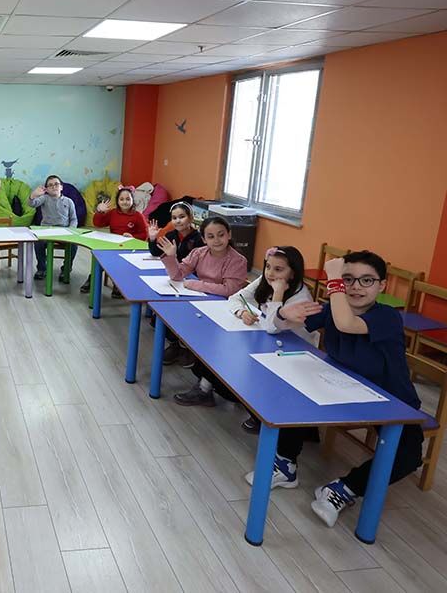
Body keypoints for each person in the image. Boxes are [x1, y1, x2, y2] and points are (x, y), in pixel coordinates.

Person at [245, 250, 423, 529]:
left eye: (366, 280)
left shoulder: (387, 317)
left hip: (390, 400)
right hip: (340, 387)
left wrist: (334, 278)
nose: (355, 287)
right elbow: (280, 326)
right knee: (296, 393)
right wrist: (281, 312)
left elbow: (347, 324)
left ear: (382, 285)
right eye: (348, 279)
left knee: (409, 456)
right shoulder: (332, 309)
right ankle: (286, 465)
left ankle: (344, 488)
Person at [173, 246, 319, 434]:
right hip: (271, 342)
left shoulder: (300, 297)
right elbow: (235, 298)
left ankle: (264, 412)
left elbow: (271, 327)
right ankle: (205, 389)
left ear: (293, 273)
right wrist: (241, 312)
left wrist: (277, 294)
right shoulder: (266, 280)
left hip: (294, 353)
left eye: (278, 269)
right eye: (268, 267)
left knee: (240, 363)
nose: (270, 273)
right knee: (219, 346)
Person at [156, 216, 248, 366]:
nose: (216, 240)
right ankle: (178, 345)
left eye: (221, 235)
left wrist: (198, 285)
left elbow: (229, 290)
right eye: (210, 236)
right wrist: (172, 257)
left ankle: (191, 350)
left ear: (229, 234)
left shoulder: (238, 260)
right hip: (199, 298)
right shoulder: (198, 253)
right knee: (168, 313)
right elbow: (177, 275)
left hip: (222, 306)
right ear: (204, 239)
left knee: (195, 323)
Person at [81, 186, 148, 293]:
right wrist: (99, 211)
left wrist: (133, 237)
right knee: (100, 258)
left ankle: (118, 284)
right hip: (113, 245)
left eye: (128, 199)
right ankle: (92, 279)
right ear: (117, 201)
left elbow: (144, 234)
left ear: (132, 200)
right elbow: (98, 224)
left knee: (119, 262)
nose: (125, 202)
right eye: (122, 199)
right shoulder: (113, 213)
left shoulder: (138, 216)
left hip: (130, 248)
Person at [30, 175, 78, 283]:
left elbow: (74, 219)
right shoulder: (44, 198)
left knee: (74, 245)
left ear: (61, 187)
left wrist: (71, 230)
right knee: (38, 242)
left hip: (64, 231)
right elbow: (32, 204)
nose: (54, 187)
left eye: (56, 184)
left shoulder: (69, 201)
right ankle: (42, 268)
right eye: (50, 185)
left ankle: (66, 269)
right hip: (46, 231)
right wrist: (33, 195)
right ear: (46, 189)